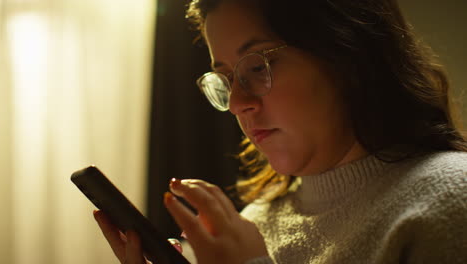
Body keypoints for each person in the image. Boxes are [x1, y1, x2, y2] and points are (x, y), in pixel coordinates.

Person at [94, 0, 467, 263]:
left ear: (347, 54)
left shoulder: (449, 200)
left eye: (258, 66)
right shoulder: (252, 222)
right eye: (224, 78)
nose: (238, 103)